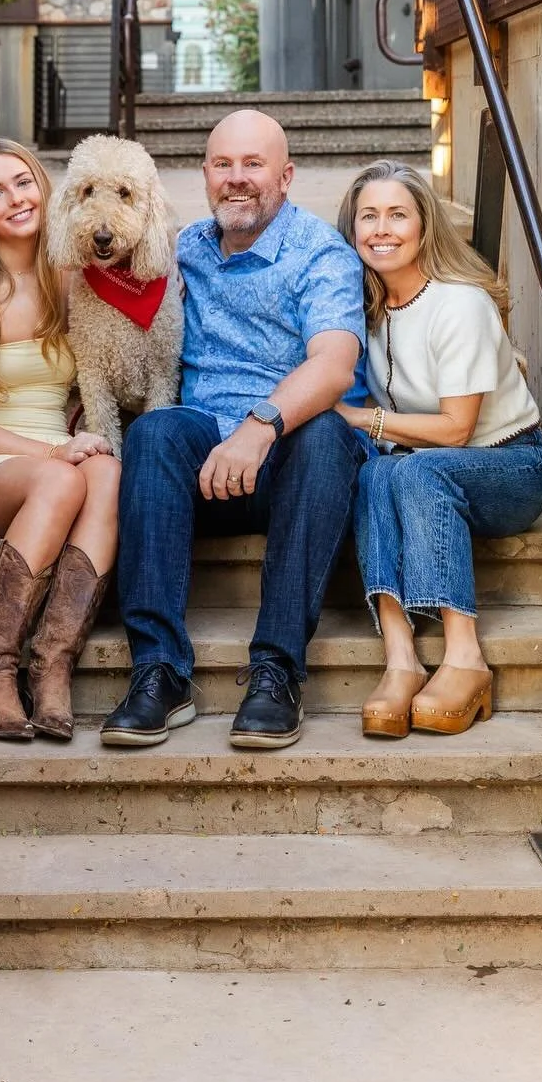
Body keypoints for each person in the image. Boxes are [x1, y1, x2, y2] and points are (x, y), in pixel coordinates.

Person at [101, 110, 366, 752]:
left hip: (287, 462)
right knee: (155, 433)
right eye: (224, 165)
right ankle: (158, 673)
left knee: (328, 435)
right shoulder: (184, 247)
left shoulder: (320, 253)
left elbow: (333, 365)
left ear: (286, 176)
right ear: (206, 175)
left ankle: (277, 673)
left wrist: (261, 425)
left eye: (254, 165)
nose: (238, 179)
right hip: (203, 459)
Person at [334, 159, 542, 738]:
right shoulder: (368, 311)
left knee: (415, 472)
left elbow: (457, 429)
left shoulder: (459, 304)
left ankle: (464, 657)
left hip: (511, 466)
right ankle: (402, 659)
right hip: (425, 468)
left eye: (397, 215)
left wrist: (362, 417)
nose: (381, 229)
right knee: (374, 476)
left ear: (425, 226)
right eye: (369, 216)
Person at [0, 139, 119, 741]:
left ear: (44, 187)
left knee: (107, 471)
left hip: (56, 455)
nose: (15, 199)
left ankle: (53, 663)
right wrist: (52, 452)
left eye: (23, 182)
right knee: (64, 475)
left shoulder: (76, 279)